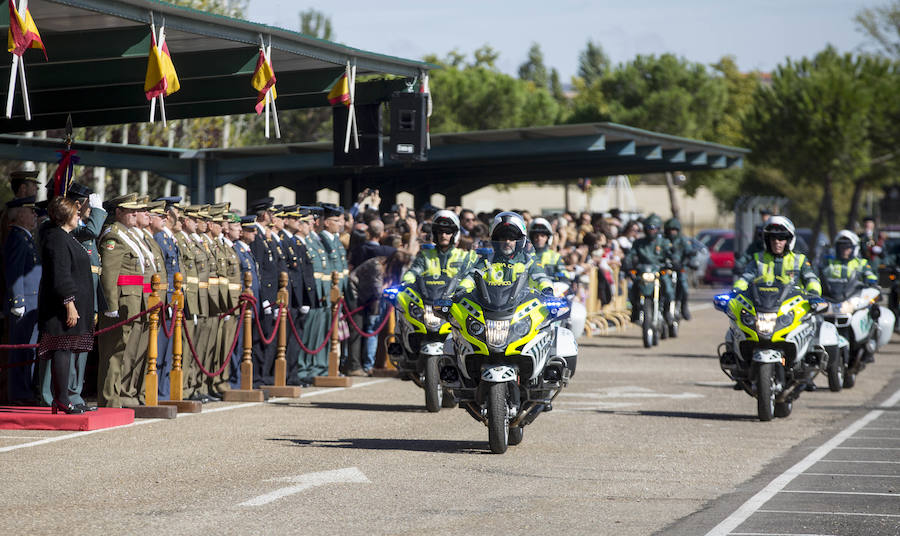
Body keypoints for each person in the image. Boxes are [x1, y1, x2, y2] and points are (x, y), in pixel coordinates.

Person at [37, 197, 95, 414]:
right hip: (60, 307)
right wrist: (69, 303)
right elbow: (61, 274)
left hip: (70, 304)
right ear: (66, 216)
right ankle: (62, 399)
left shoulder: (65, 236)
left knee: (67, 348)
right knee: (62, 348)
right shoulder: (57, 238)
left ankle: (64, 398)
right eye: (76, 213)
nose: (79, 216)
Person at [97, 193, 151, 408]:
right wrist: (110, 306)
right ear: (118, 212)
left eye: (135, 210)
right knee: (114, 351)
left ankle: (117, 396)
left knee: (124, 350)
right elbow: (109, 274)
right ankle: (109, 399)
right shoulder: (114, 236)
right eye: (130, 210)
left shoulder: (127, 234)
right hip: (120, 302)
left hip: (133, 301)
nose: (135, 214)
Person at [3, 196, 41, 404]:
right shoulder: (17, 237)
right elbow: (14, 271)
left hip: (32, 301)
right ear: (19, 215)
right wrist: (17, 301)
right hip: (24, 302)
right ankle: (19, 394)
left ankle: (25, 391)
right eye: (31, 211)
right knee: (20, 350)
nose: (35, 215)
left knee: (28, 349)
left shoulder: (25, 237)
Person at [460, 211, 552, 295]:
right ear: (496, 240)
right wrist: (462, 288)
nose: (507, 241)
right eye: (503, 238)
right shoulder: (487, 260)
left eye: (512, 238)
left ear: (519, 240)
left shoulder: (528, 260)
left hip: (521, 308)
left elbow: (540, 277)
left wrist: (547, 289)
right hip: (489, 308)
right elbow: (472, 276)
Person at [733, 216, 822, 296]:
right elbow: (744, 279)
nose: (776, 242)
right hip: (763, 307)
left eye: (781, 238)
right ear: (767, 240)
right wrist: (736, 290)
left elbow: (811, 278)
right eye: (773, 238)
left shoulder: (799, 260)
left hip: (793, 310)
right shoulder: (758, 259)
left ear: (788, 240)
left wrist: (814, 292)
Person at [623, 214, 672, 323]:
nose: (651, 231)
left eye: (653, 228)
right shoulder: (638, 243)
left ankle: (667, 311)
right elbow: (630, 255)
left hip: (659, 272)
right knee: (633, 288)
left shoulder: (664, 242)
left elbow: (670, 255)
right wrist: (627, 263)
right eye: (648, 228)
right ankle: (635, 310)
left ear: (658, 229)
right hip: (644, 272)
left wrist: (672, 262)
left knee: (668, 288)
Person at [663, 217, 696, 321]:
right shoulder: (663, 241)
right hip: (666, 268)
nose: (672, 232)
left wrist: (690, 259)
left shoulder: (683, 240)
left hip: (680, 268)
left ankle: (683, 306)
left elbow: (689, 251)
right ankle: (665, 308)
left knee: (684, 286)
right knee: (665, 287)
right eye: (670, 230)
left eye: (675, 230)